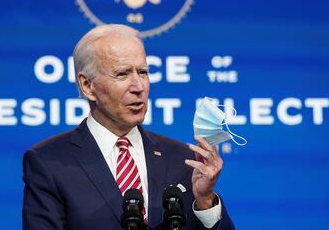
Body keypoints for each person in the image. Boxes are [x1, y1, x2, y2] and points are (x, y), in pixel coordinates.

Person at [22, 24, 235, 230]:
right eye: (122, 74)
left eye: (142, 72)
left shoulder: (183, 160)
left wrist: (205, 202)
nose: (138, 87)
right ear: (87, 85)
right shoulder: (49, 162)